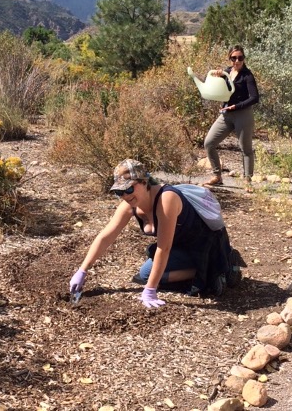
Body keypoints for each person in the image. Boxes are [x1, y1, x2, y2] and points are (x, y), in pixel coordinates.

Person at [69, 159, 241, 308]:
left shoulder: (167, 199)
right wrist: (83, 270)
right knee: (145, 275)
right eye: (119, 192)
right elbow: (106, 236)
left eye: (129, 189)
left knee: (150, 279)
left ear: (144, 182)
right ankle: (209, 271)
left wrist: (150, 290)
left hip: (203, 245)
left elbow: (163, 248)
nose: (125, 195)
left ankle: (218, 266)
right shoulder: (129, 205)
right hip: (179, 246)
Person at [203, 45, 259, 192]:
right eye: (234, 58)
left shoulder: (247, 75)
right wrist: (216, 74)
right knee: (209, 143)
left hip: (243, 114)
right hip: (226, 114)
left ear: (244, 58)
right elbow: (212, 83)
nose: (237, 60)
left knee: (246, 149)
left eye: (240, 57)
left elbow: (254, 98)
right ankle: (217, 176)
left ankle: (248, 181)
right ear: (230, 58)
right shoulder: (227, 72)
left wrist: (237, 106)